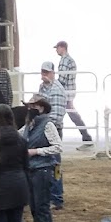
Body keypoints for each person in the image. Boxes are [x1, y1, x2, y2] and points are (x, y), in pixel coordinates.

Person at [22, 95, 61, 222]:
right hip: (33, 170)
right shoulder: (29, 125)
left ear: (41, 108)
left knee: (41, 208)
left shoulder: (48, 124)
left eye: (33, 106)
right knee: (35, 208)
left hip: (43, 170)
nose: (30, 109)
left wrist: (36, 151)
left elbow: (58, 147)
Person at [37, 61, 67, 208]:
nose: (44, 74)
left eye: (46, 72)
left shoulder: (56, 90)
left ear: (52, 73)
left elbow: (57, 115)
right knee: (50, 163)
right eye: (43, 71)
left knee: (54, 163)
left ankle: (56, 197)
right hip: (46, 128)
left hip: (52, 129)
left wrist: (42, 124)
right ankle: (52, 195)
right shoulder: (43, 87)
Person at [53, 40, 93, 147]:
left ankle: (86, 138)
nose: (56, 50)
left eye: (57, 48)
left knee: (60, 115)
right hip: (69, 91)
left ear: (62, 47)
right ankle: (86, 137)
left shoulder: (64, 61)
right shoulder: (69, 60)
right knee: (72, 115)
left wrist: (54, 86)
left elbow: (62, 78)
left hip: (65, 93)